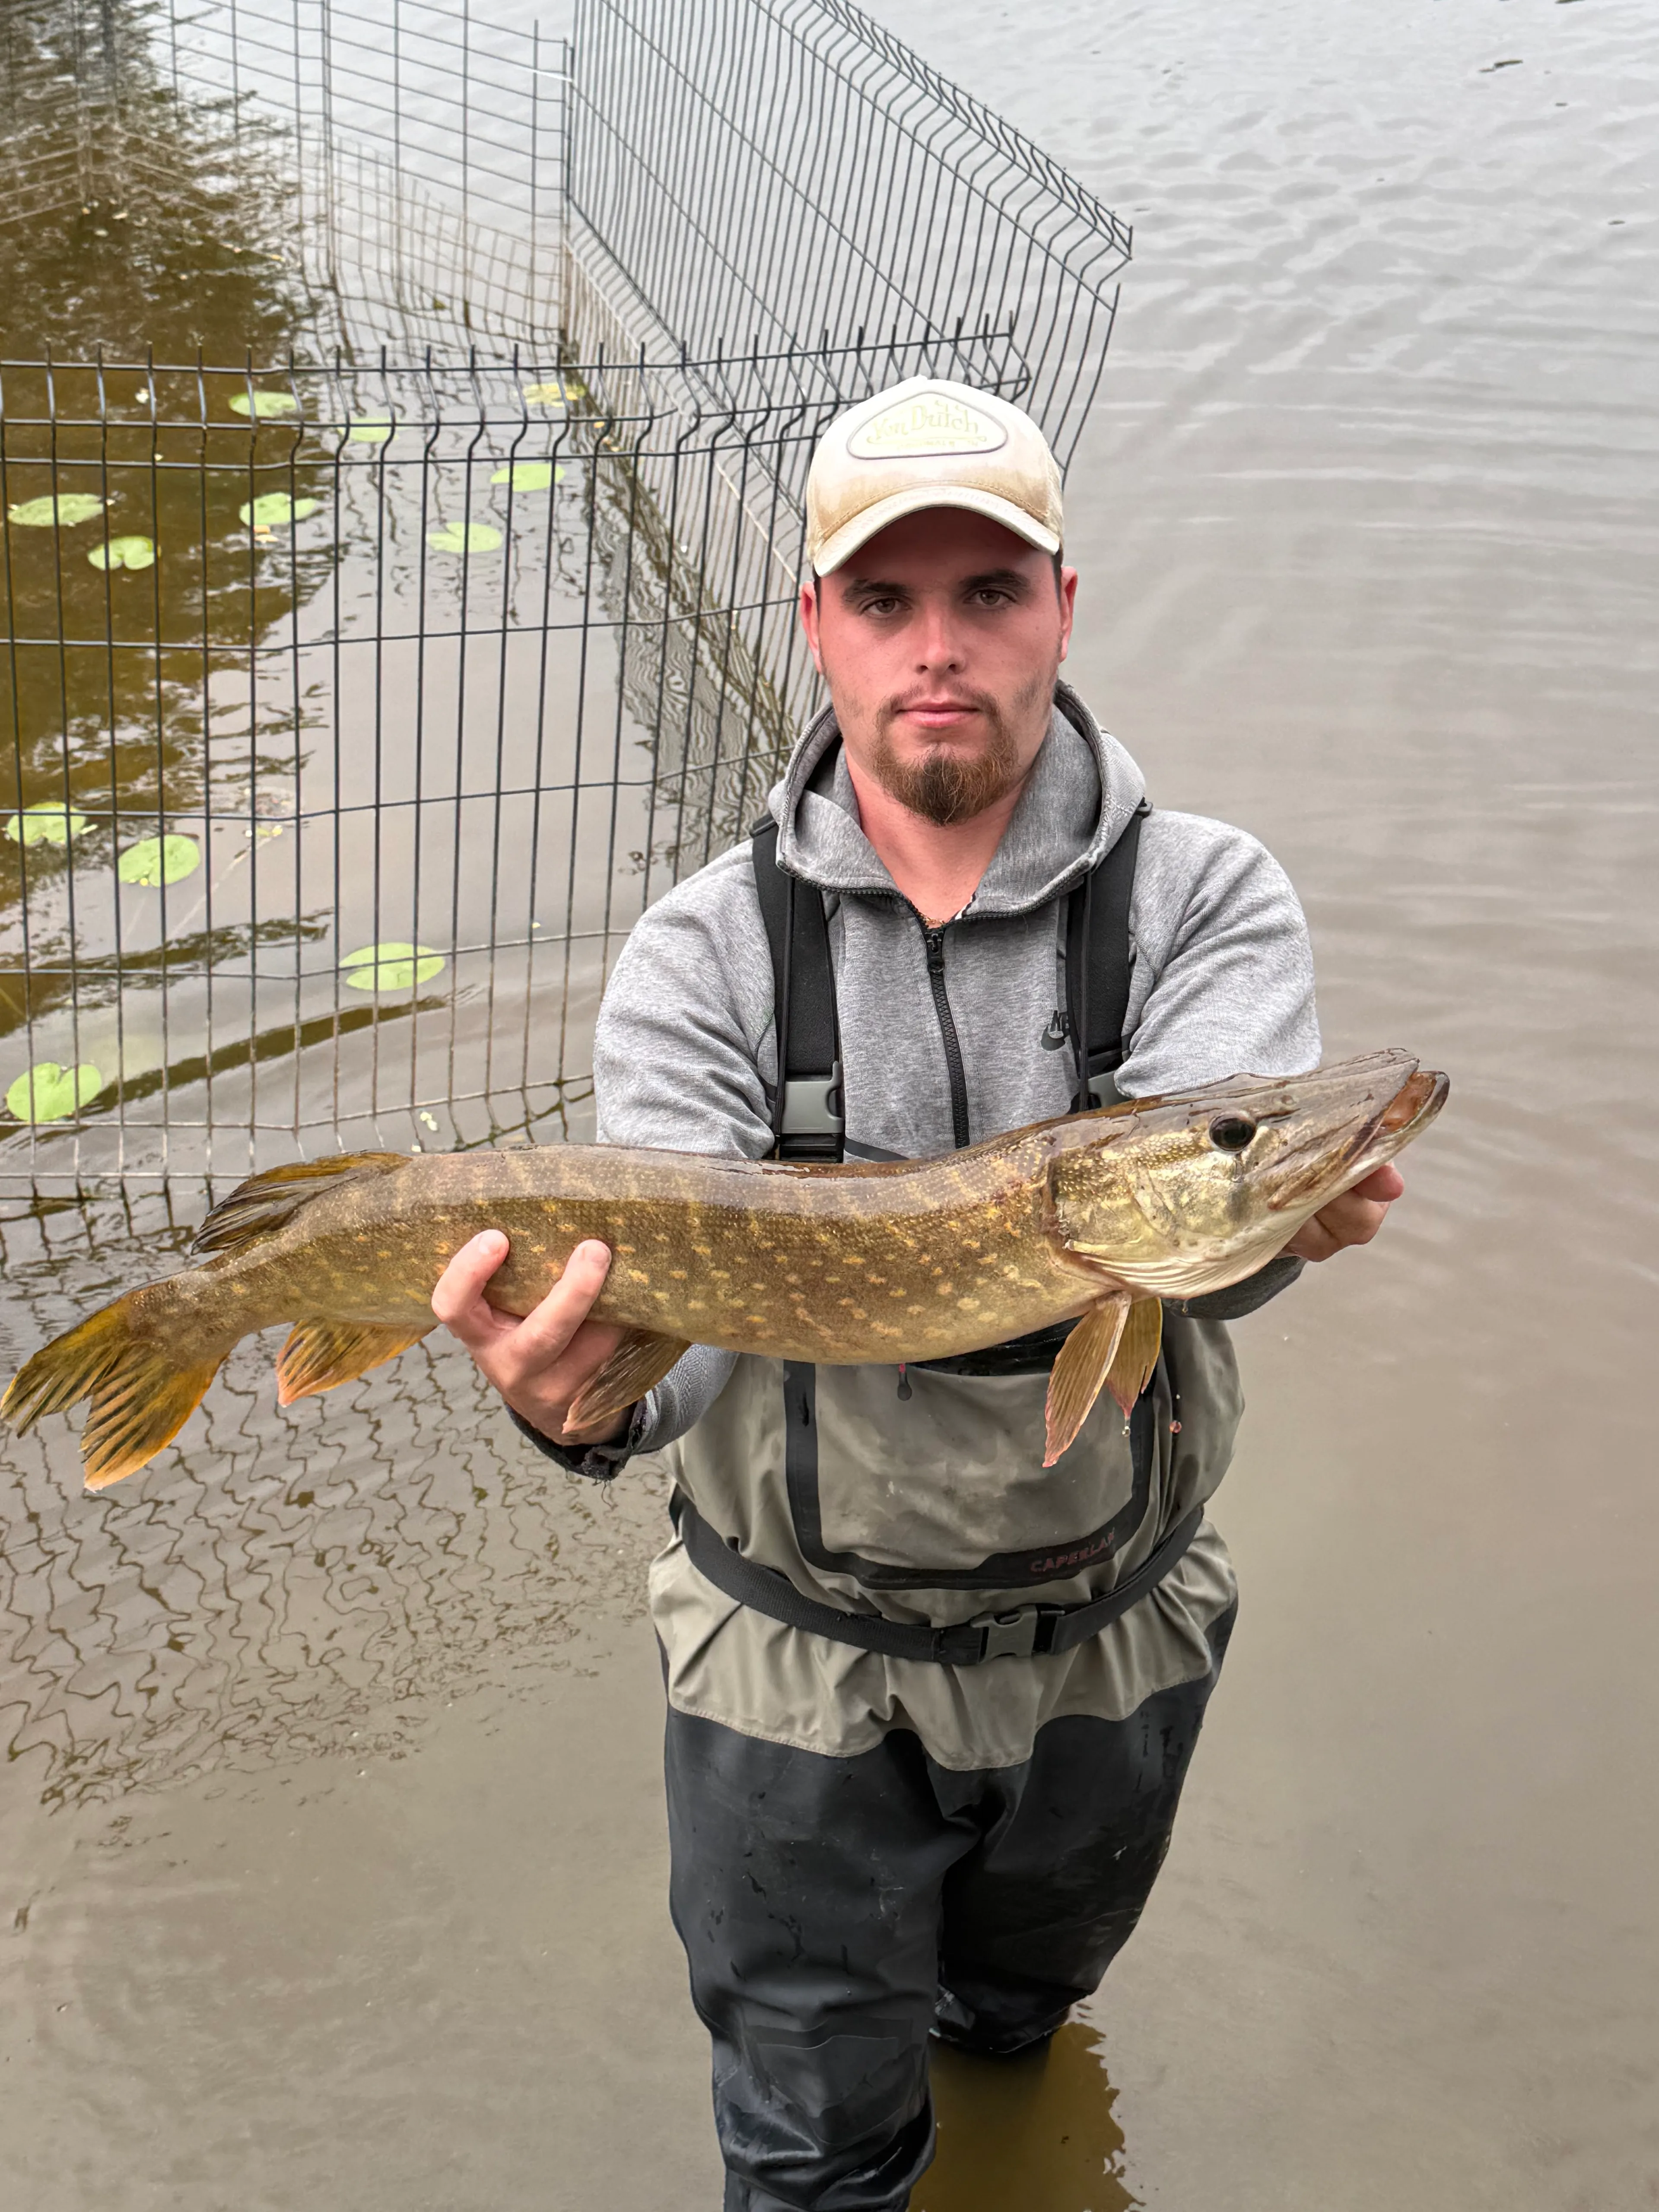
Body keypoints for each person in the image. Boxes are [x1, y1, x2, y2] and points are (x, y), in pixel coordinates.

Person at [431, 376, 1405, 2211]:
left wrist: (1266, 1219)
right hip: (796, 1662)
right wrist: (578, 1402)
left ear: (1064, 605)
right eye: (884, 601)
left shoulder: (1208, 901)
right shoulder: (701, 956)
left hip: (1111, 1631)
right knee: (813, 2154)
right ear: (817, 626)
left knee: (1021, 2022)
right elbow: (669, 1335)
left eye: (987, 594)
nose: (936, 649)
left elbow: (1201, 1247)